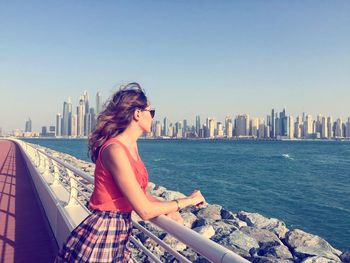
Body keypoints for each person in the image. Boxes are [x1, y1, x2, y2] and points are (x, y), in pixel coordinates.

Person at [55, 82, 205, 262]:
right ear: (137, 114)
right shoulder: (115, 150)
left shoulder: (131, 146)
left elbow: (140, 195)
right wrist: (187, 201)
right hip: (103, 234)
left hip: (119, 234)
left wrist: (167, 208)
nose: (153, 118)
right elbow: (144, 210)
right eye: (152, 112)